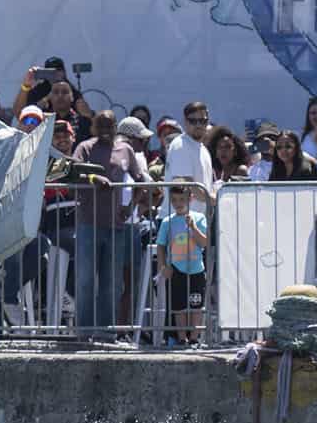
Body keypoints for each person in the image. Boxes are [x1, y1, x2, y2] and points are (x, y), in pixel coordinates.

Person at [73, 110, 150, 336]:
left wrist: (131, 206)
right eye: (101, 126)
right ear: (93, 128)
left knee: (113, 283)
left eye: (110, 126)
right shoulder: (84, 148)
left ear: (116, 127)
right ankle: (85, 331)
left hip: (116, 226)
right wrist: (93, 178)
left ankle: (106, 332)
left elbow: (140, 181)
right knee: (86, 280)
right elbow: (73, 171)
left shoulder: (125, 149)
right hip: (88, 223)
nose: (106, 131)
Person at [154, 181, 210, 342]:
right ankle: (181, 338)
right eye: (174, 200)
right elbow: (161, 246)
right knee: (178, 308)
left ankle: (194, 337)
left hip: (196, 269)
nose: (178, 204)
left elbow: (204, 243)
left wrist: (193, 227)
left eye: (181, 199)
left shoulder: (199, 218)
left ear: (190, 199)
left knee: (196, 307)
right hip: (176, 269)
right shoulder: (167, 221)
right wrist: (163, 267)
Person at [164, 101, 214, 211]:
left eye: (202, 120)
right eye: (193, 121)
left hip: (196, 221)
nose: (198, 125)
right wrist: (214, 200)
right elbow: (187, 183)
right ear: (185, 122)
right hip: (179, 221)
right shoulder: (181, 145)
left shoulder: (203, 149)